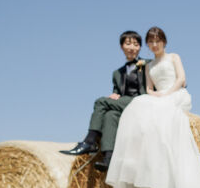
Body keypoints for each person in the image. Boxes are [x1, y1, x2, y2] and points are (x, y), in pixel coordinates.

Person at [105, 27, 200, 188]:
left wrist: (167, 93)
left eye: (157, 41)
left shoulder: (174, 57)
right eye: (151, 42)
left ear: (164, 41)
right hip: (159, 94)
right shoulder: (148, 65)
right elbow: (148, 88)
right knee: (136, 106)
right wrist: (154, 94)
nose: (154, 45)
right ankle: (135, 166)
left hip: (176, 93)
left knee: (163, 117)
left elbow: (181, 79)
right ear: (148, 45)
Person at [60, 30, 149, 171]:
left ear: (140, 47)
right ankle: (108, 158)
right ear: (121, 47)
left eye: (136, 44)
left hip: (141, 101)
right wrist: (114, 95)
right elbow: (117, 91)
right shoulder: (117, 73)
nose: (132, 47)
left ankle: (89, 141)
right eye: (128, 44)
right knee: (109, 115)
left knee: (100, 102)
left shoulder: (147, 64)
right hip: (125, 103)